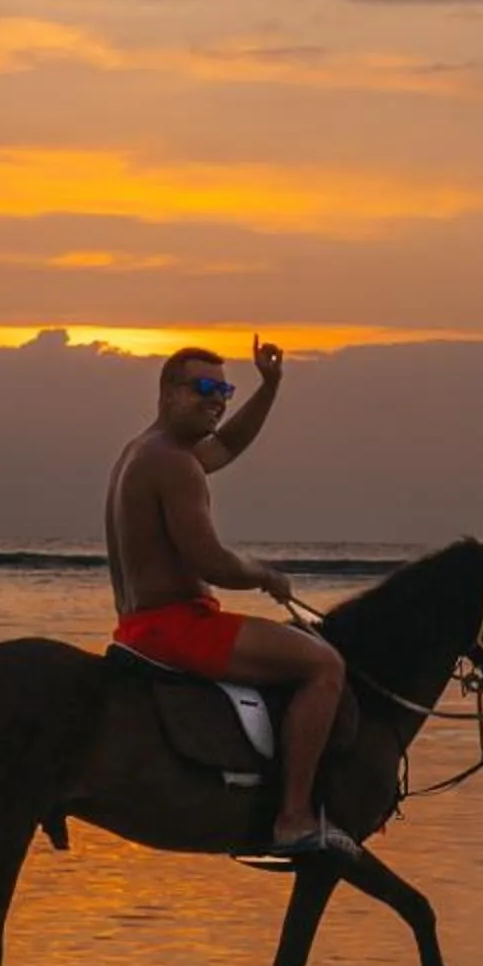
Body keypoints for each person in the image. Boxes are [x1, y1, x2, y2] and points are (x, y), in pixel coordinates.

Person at [105, 339, 354, 857]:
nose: (217, 399)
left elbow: (229, 445)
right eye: (203, 388)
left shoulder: (147, 452)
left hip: (142, 626)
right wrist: (264, 574)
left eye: (224, 389)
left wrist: (270, 387)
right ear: (168, 393)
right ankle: (293, 820)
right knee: (324, 665)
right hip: (176, 629)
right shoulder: (172, 463)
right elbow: (209, 560)